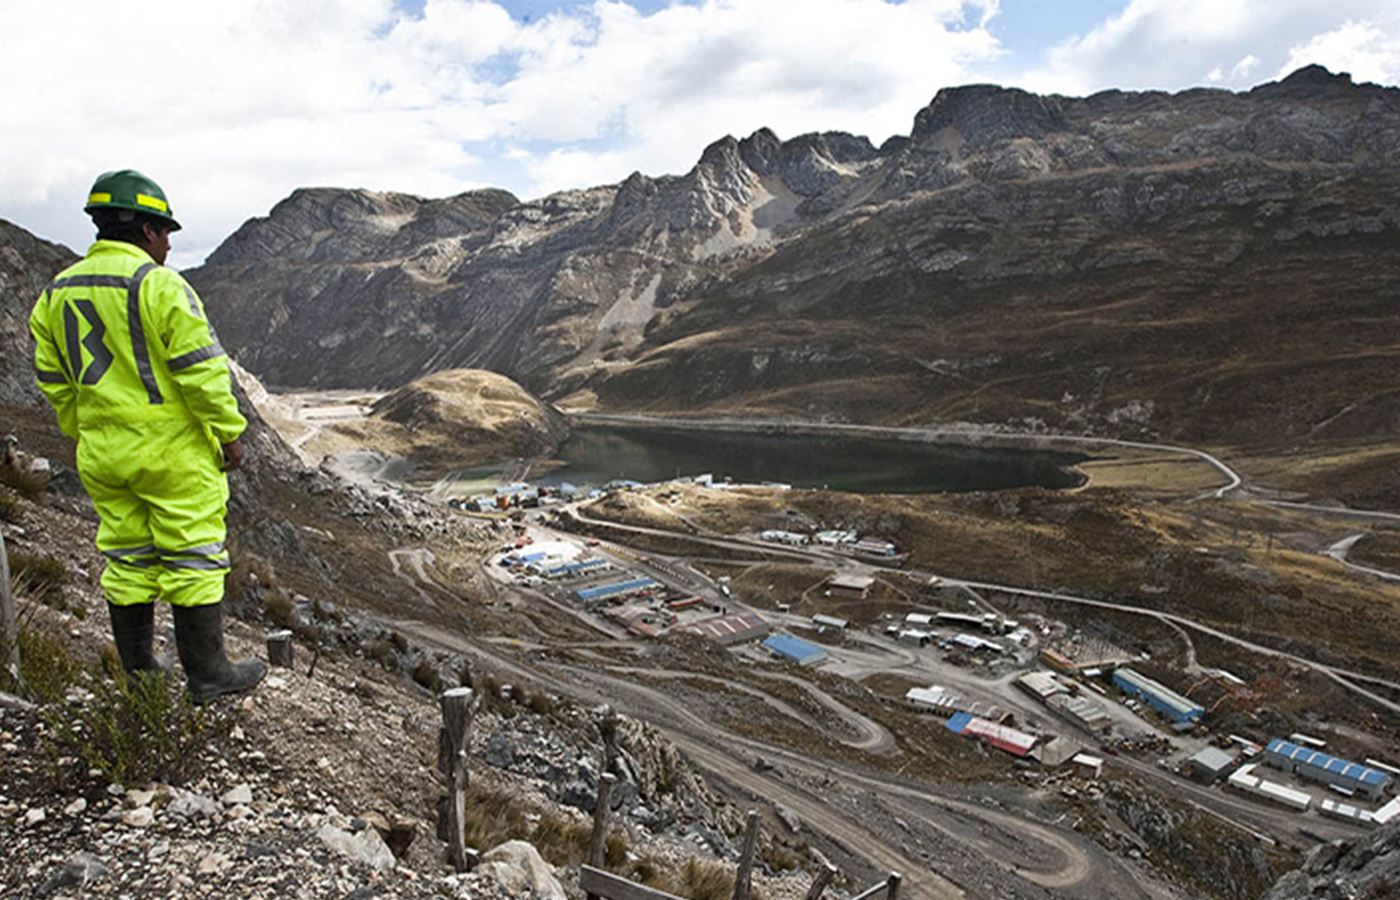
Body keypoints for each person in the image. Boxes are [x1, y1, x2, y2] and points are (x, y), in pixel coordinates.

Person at [29, 169, 265, 702]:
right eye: (164, 232)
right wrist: (229, 435)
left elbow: (50, 379)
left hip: (103, 455)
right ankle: (208, 673)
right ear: (144, 230)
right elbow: (201, 373)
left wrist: (88, 428)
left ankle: (140, 674)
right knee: (194, 554)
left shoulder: (56, 294)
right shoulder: (157, 286)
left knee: (127, 555)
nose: (168, 244)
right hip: (172, 454)